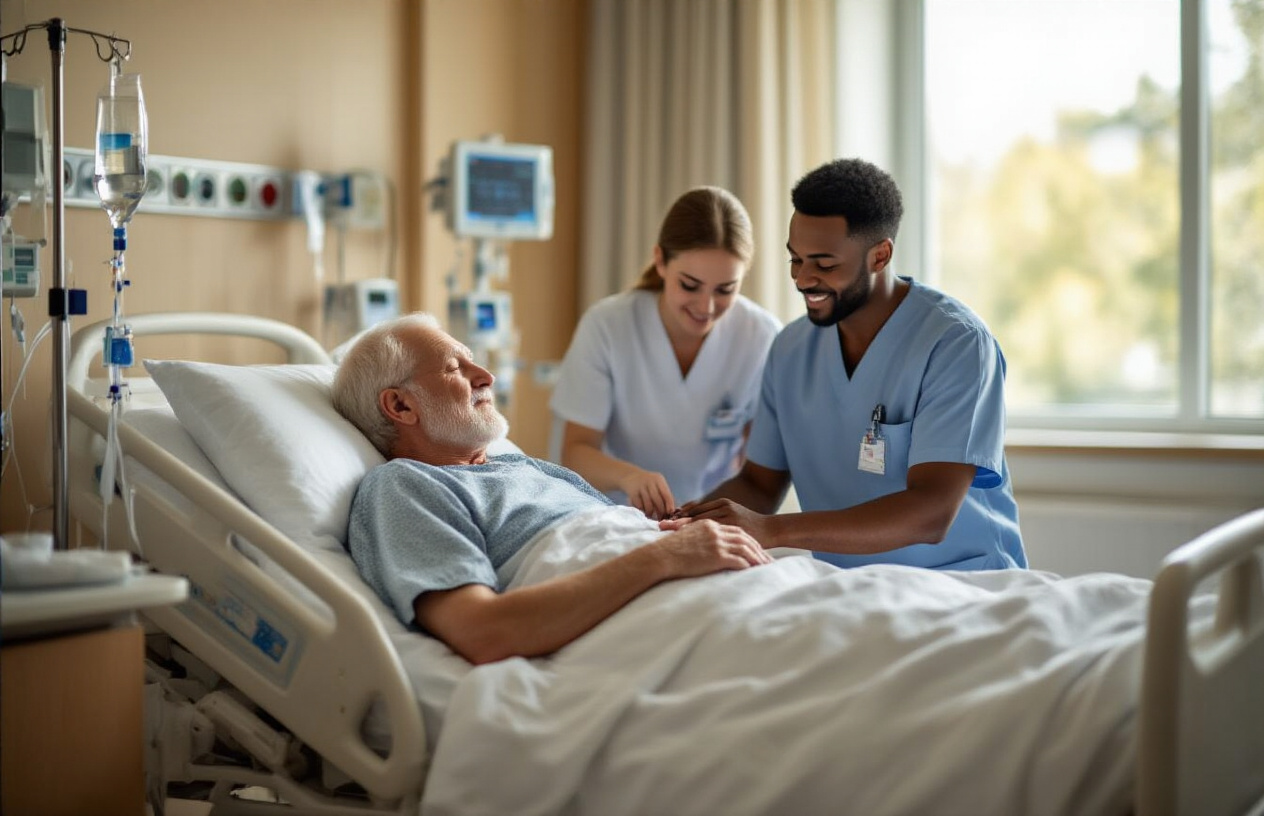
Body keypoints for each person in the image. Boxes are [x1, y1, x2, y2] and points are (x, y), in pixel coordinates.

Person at [331, 313, 772, 665]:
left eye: (473, 361)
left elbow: (625, 539)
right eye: (455, 368)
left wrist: (680, 532)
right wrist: (669, 554)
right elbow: (484, 631)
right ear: (401, 405)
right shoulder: (402, 486)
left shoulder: (527, 468)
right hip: (674, 621)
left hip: (737, 590)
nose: (485, 376)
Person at [668, 158, 1026, 571]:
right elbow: (757, 483)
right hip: (849, 589)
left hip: (964, 585)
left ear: (880, 255)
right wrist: (691, 521)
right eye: (795, 260)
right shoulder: (790, 349)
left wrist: (774, 530)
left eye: (825, 264)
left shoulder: (956, 345)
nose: (803, 279)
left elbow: (931, 512)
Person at [550, 187, 781, 520]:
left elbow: (759, 470)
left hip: (709, 518)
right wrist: (630, 477)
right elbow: (576, 451)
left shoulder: (760, 337)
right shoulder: (608, 325)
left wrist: (717, 518)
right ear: (660, 260)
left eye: (725, 290)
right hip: (611, 514)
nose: (707, 307)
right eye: (690, 285)